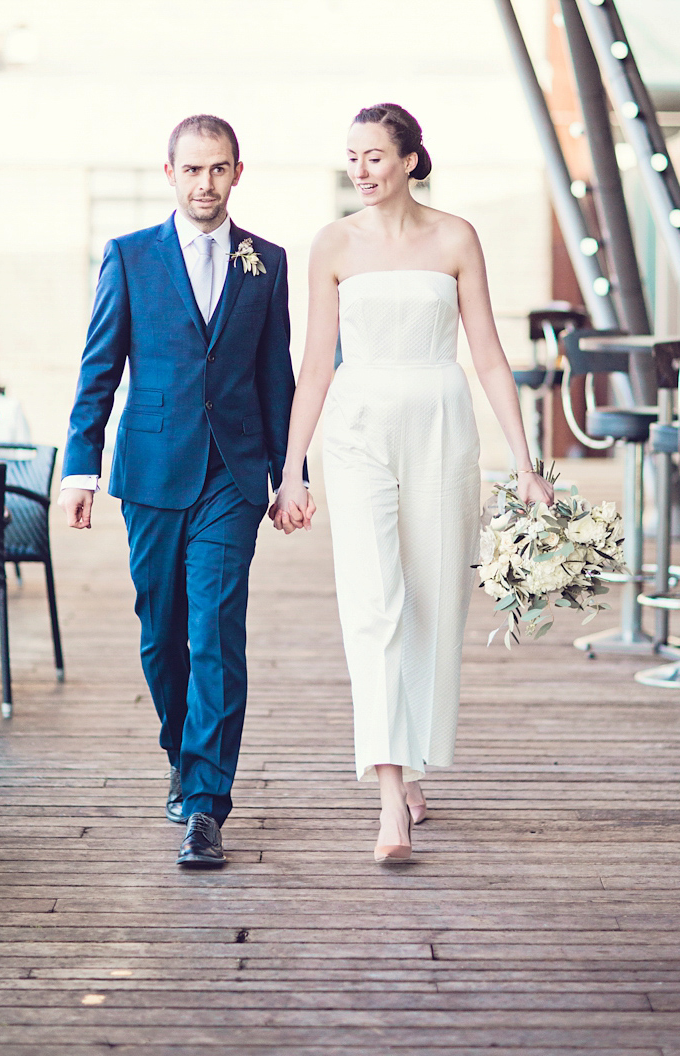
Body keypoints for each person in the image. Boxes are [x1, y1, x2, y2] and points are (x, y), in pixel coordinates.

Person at [271, 102, 553, 863]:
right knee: (375, 605)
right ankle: (390, 802)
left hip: (442, 423)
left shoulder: (456, 236)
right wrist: (292, 469)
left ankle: (415, 760)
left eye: (373, 156)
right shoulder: (332, 244)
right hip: (359, 429)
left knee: (434, 602)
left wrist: (525, 463)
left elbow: (489, 355)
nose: (360, 169)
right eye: (352, 156)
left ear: (408, 161)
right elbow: (314, 367)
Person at [59, 115, 297, 868]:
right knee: (163, 633)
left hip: (234, 471)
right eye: (192, 170)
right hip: (154, 472)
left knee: (217, 630)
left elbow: (275, 377)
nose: (206, 183)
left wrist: (291, 475)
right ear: (170, 173)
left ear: (237, 173)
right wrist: (79, 468)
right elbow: (99, 367)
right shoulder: (129, 257)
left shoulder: (269, 261)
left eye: (219, 169)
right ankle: (180, 748)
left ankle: (204, 803)